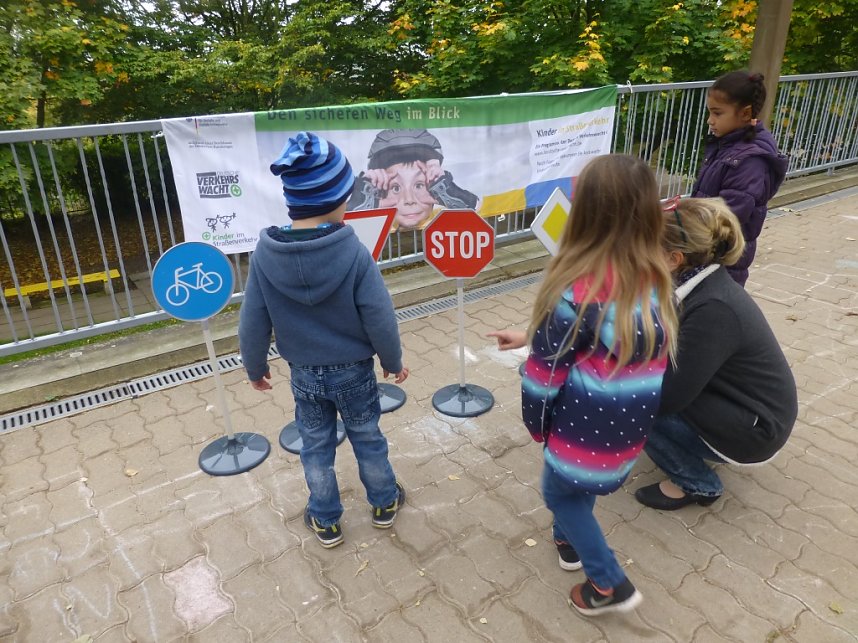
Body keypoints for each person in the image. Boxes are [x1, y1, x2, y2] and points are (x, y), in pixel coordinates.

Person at [517, 154, 678, 616]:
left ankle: (609, 584)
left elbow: (545, 374)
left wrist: (536, 424)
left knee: (556, 492)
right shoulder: (655, 280)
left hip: (581, 425)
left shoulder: (573, 288)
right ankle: (569, 541)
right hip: (628, 427)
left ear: (583, 212)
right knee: (576, 489)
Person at [239, 131, 409, 549]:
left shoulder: (265, 253)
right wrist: (392, 359)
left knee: (315, 445)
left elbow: (253, 317)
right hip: (353, 370)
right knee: (367, 435)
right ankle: (385, 502)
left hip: (303, 374)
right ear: (336, 200)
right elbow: (379, 314)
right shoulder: (352, 251)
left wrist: (255, 366)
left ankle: (326, 518)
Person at [634, 197, 797, 510]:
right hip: (743, 407)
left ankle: (696, 482)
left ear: (673, 259)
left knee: (626, 401)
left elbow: (666, 397)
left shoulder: (714, 310)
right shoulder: (699, 281)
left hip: (757, 432)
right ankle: (698, 445)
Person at [692, 70, 788, 286]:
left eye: (717, 113)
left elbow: (728, 216)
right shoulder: (726, 145)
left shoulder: (750, 161)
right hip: (707, 253)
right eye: (710, 113)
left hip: (723, 262)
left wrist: (684, 223)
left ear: (745, 114)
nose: (710, 120)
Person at [348, 128, 479, 229]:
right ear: (379, 188)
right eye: (395, 187)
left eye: (419, 185)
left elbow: (480, 209)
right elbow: (338, 226)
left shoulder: (442, 214)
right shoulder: (377, 221)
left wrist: (451, 193)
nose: (409, 200)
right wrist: (362, 201)